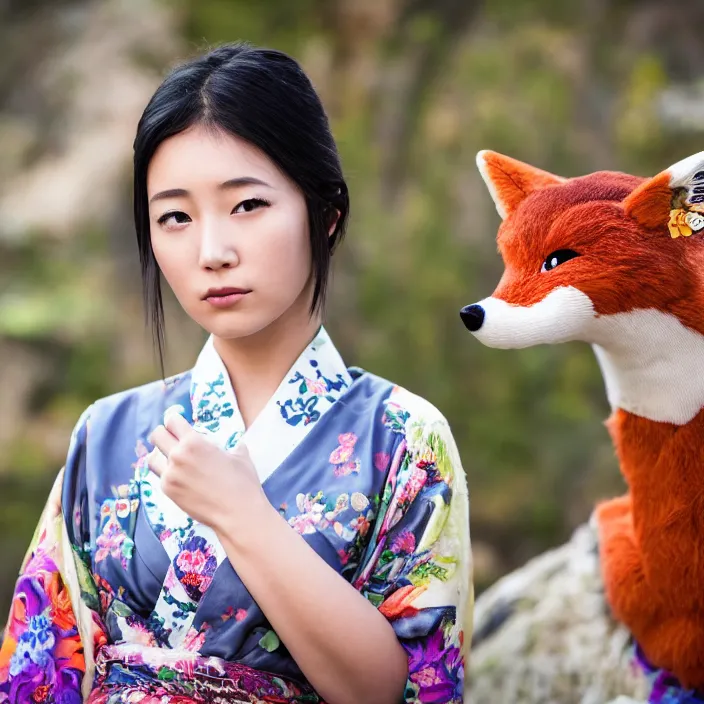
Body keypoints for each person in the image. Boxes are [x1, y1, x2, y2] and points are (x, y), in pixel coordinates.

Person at [0, 42, 472, 704]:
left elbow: (403, 689)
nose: (212, 251)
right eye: (174, 217)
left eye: (247, 205)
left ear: (325, 214)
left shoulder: (402, 438)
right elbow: (36, 674)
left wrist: (241, 515)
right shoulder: (104, 434)